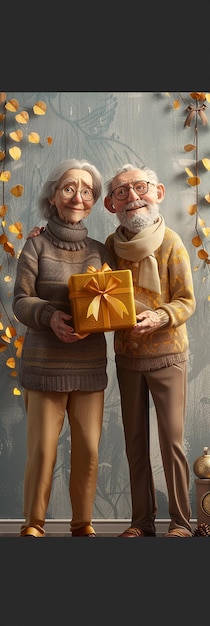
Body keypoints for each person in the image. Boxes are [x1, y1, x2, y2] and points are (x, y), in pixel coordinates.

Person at [12, 158, 117, 538]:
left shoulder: (100, 251)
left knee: (89, 450)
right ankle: (33, 525)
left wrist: (99, 320)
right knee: (42, 451)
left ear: (92, 203)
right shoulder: (35, 245)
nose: (78, 196)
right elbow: (21, 301)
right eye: (69, 188)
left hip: (88, 366)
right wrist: (50, 317)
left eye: (87, 191)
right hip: (43, 365)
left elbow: (114, 300)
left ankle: (82, 524)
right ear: (54, 197)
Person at [104, 163, 196, 538]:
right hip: (128, 358)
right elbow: (96, 287)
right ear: (111, 205)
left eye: (139, 187)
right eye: (122, 192)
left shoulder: (171, 242)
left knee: (171, 442)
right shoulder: (110, 247)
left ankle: (182, 523)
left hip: (168, 356)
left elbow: (187, 301)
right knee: (134, 443)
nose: (133, 197)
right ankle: (141, 522)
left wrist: (159, 317)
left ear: (157, 193)